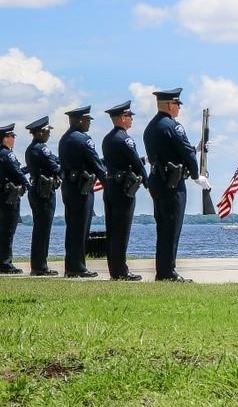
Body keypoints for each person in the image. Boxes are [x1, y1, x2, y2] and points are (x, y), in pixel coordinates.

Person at [143, 88, 203, 282]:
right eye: (177, 104)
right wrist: (196, 175)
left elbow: (167, 152)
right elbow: (187, 153)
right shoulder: (173, 126)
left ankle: (163, 270)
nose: (178, 108)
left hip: (158, 182)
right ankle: (167, 272)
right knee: (172, 227)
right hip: (173, 183)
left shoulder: (150, 128)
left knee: (163, 227)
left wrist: (198, 148)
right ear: (170, 105)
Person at [58, 106, 107, 278]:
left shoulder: (65, 139)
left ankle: (72, 265)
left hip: (70, 186)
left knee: (73, 227)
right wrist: (107, 182)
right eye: (87, 120)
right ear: (79, 120)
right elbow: (95, 163)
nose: (89, 124)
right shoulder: (83, 139)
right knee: (81, 228)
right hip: (81, 187)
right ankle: (77, 266)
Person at [102, 100, 146, 281]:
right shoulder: (125, 138)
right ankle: (121, 271)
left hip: (111, 186)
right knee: (121, 230)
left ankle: (115, 269)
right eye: (129, 116)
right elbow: (135, 162)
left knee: (112, 230)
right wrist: (148, 183)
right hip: (123, 189)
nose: (131, 119)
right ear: (122, 118)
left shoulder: (107, 138)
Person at [24, 116, 61, 276]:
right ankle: (40, 266)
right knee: (43, 229)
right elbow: (55, 167)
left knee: (41, 228)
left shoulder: (33, 148)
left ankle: (39, 264)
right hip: (43, 191)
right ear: (39, 133)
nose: (49, 134)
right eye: (47, 131)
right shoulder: (41, 148)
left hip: (39, 190)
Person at [0, 124, 29, 273]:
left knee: (5, 230)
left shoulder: (2, 153)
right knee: (8, 230)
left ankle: (2, 262)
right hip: (8, 197)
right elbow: (17, 174)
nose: (13, 139)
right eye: (12, 136)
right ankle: (5, 263)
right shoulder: (7, 154)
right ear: (6, 138)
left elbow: (16, 171)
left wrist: (28, 168)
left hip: (1, 196)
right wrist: (28, 185)